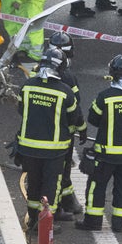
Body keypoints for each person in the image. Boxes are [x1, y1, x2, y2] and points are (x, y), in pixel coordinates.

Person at [15, 46, 85, 234]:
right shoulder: (65, 92)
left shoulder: (27, 86)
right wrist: (82, 130)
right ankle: (46, 225)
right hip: (54, 151)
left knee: (34, 184)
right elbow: (75, 119)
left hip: (28, 148)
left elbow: (21, 110)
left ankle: (33, 223)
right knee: (50, 187)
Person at [78, 53, 122, 233]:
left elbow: (93, 119)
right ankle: (120, 223)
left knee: (96, 186)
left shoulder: (105, 97)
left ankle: (93, 222)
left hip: (105, 154)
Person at [49, 31, 85, 221]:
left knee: (59, 170)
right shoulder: (68, 77)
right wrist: (82, 127)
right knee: (60, 170)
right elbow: (75, 105)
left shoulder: (37, 72)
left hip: (41, 131)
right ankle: (60, 206)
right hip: (62, 133)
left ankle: (68, 201)